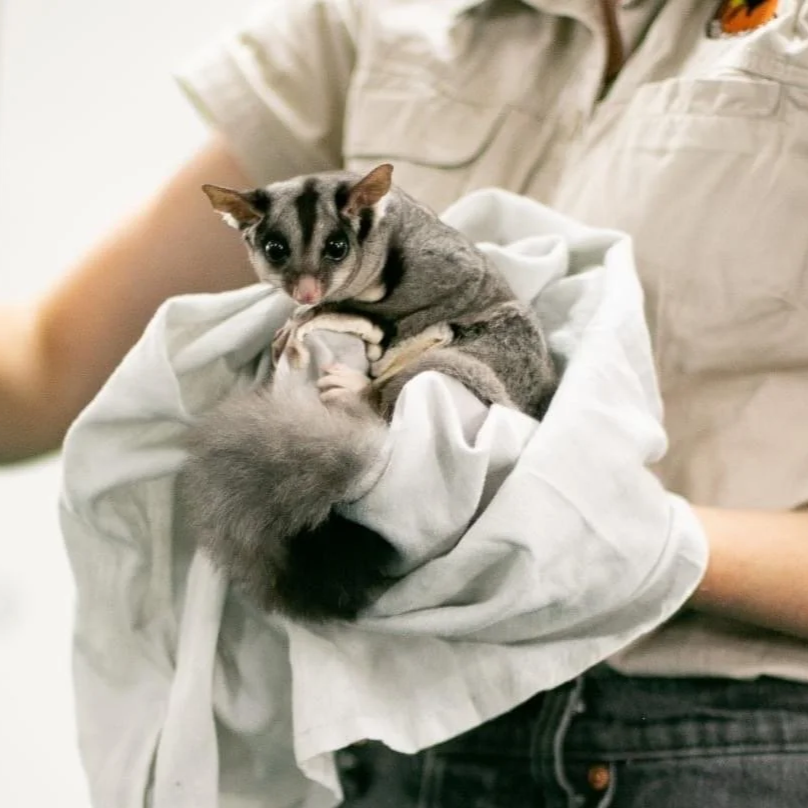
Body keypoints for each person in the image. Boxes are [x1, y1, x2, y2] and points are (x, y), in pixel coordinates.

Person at [3, 0, 808, 804]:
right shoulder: (376, 19)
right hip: (383, 739)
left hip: (717, 731)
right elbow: (48, 362)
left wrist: (646, 543)